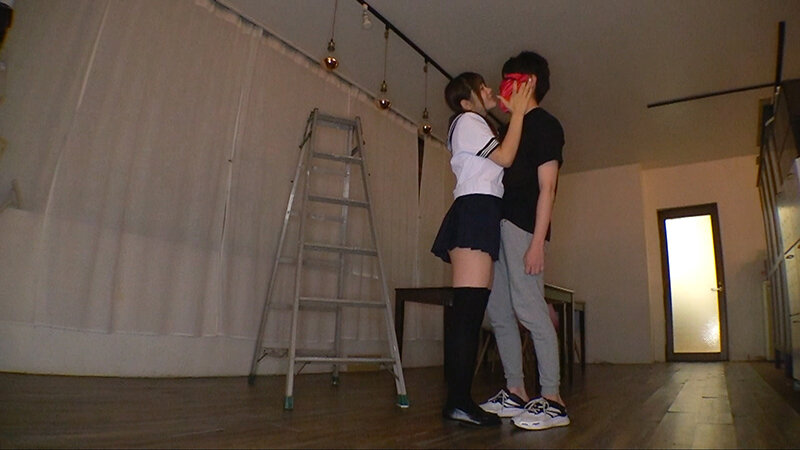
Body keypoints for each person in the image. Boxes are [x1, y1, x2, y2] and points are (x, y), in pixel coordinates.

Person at [431, 72, 532, 426]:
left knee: (470, 312)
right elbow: (505, 157)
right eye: (482, 87)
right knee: (468, 312)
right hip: (475, 209)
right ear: (466, 100)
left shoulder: (476, 124)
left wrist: (512, 114)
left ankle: (458, 401)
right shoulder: (468, 120)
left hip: (481, 209)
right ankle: (458, 402)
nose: (489, 90)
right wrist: (518, 112)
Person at [478, 51, 570, 431]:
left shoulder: (546, 125)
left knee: (531, 310)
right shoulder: (511, 127)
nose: (504, 87)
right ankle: (515, 390)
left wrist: (536, 243)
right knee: (499, 312)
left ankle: (553, 399)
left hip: (523, 229)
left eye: (509, 79)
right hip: (499, 227)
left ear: (528, 82)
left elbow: (548, 188)